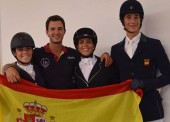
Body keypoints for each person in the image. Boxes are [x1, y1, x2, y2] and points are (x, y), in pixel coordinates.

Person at [2, 15, 112, 89]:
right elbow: (17, 63)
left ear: (64, 31)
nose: (56, 32)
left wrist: (105, 55)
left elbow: (88, 58)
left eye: (59, 29)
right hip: (48, 104)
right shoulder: (37, 53)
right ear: (47, 32)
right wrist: (7, 68)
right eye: (52, 29)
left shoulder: (73, 53)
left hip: (70, 103)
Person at [110, 0, 170, 122]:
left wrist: (144, 84)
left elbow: (168, 75)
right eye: (128, 17)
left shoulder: (154, 45)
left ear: (141, 19)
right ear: (123, 20)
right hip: (126, 109)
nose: (133, 21)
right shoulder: (115, 49)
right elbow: (114, 79)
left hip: (151, 109)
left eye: (136, 17)